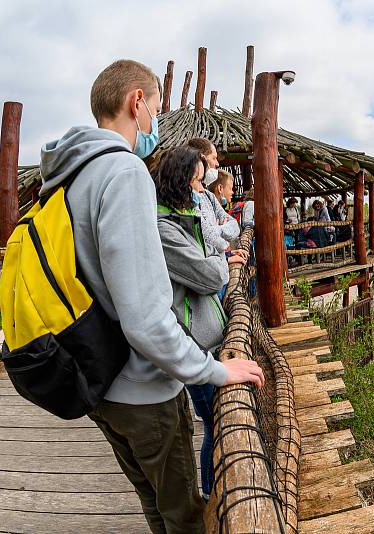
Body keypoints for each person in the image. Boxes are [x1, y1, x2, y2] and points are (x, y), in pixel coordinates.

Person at [38, 59, 264, 534]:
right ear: (136, 102)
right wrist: (213, 369)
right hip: (143, 387)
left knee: (151, 502)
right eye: (156, 107)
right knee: (184, 515)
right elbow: (143, 313)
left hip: (98, 380)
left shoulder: (64, 175)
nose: (155, 122)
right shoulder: (122, 173)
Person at [154, 146, 245, 501]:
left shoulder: (182, 221)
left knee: (211, 421)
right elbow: (211, 274)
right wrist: (219, 257)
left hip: (202, 337)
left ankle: (209, 491)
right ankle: (210, 493)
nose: (201, 185)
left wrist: (216, 253)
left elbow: (220, 242)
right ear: (181, 183)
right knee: (213, 423)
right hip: (195, 342)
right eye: (196, 179)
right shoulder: (167, 229)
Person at [187, 137, 240, 254]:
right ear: (201, 158)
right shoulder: (186, 198)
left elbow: (235, 226)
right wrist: (224, 244)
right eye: (214, 158)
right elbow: (210, 239)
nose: (217, 163)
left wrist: (215, 229)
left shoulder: (209, 196)